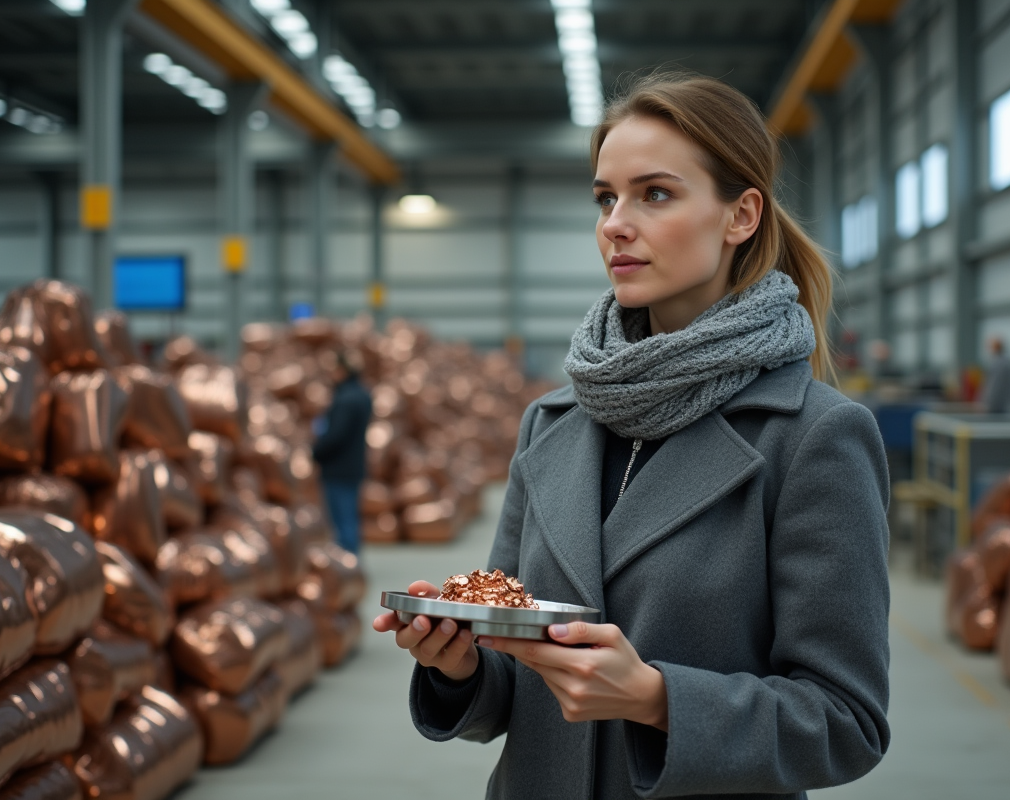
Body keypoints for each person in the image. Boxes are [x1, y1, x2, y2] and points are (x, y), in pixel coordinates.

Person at [373, 72, 891, 800]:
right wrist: (458, 663)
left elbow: (846, 723)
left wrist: (655, 699)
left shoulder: (815, 438)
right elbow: (515, 676)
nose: (616, 222)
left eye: (655, 194)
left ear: (741, 215)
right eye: (604, 197)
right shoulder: (551, 425)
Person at [311, 351, 372, 554]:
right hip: (353, 466)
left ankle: (349, 565)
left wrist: (316, 452)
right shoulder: (362, 395)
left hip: (338, 468)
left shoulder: (345, 400)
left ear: (342, 370)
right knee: (350, 517)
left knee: (343, 522)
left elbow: (336, 435)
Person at [982, 337, 1010, 414]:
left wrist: (986, 403)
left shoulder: (997, 363)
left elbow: (994, 386)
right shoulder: (1007, 362)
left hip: (996, 405)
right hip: (1006, 405)